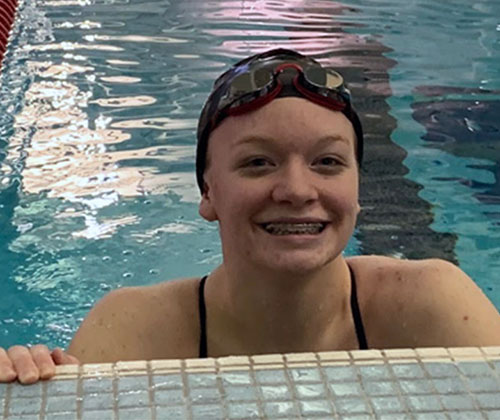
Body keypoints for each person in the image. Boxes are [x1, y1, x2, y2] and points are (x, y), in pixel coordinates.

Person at [2, 49, 500, 385]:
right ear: (208, 192)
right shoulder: (134, 330)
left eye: (328, 162)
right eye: (257, 162)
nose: (297, 191)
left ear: (357, 188)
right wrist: (24, 381)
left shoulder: (431, 305)